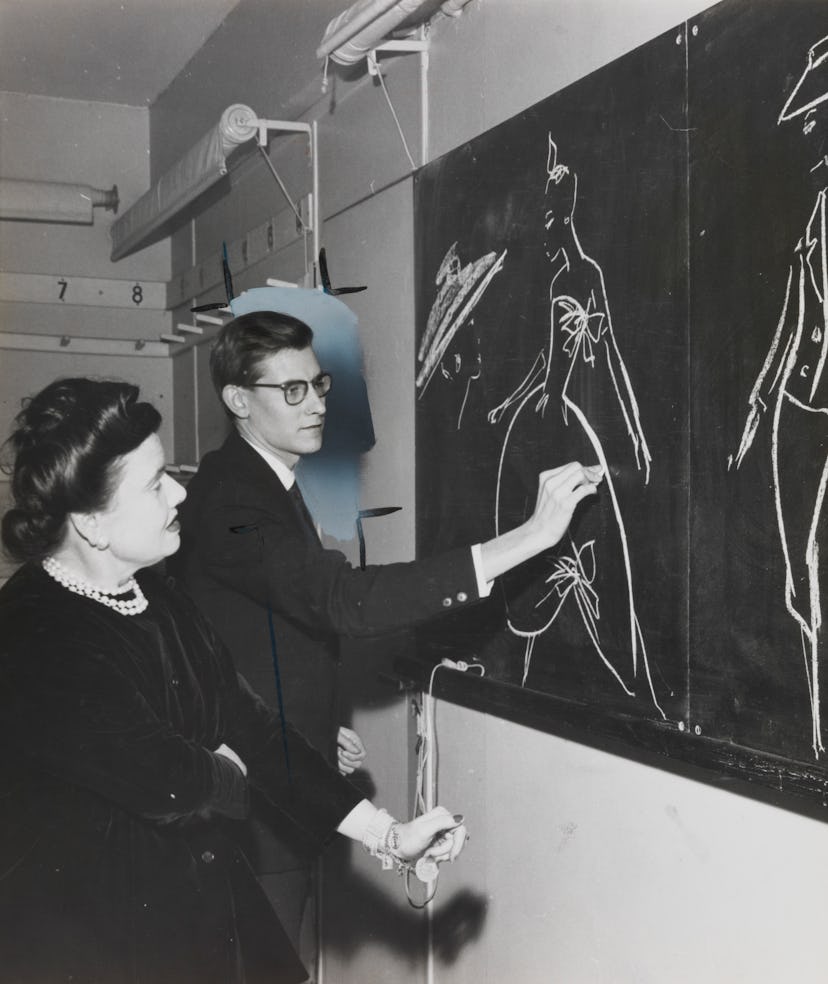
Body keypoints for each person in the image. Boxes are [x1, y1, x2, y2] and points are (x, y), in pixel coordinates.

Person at [0, 377, 469, 984]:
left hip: (199, 909)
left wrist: (388, 835)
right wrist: (220, 769)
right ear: (92, 523)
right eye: (153, 483)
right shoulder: (32, 629)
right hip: (93, 941)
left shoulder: (159, 594)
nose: (178, 494)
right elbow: (171, 782)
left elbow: (251, 727)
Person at [170, 309, 603, 944]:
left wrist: (312, 718)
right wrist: (532, 537)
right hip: (255, 812)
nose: (315, 404)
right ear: (238, 399)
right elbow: (343, 599)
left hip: (280, 775)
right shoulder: (234, 500)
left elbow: (260, 623)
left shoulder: (264, 481)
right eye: (291, 390)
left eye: (319, 385)